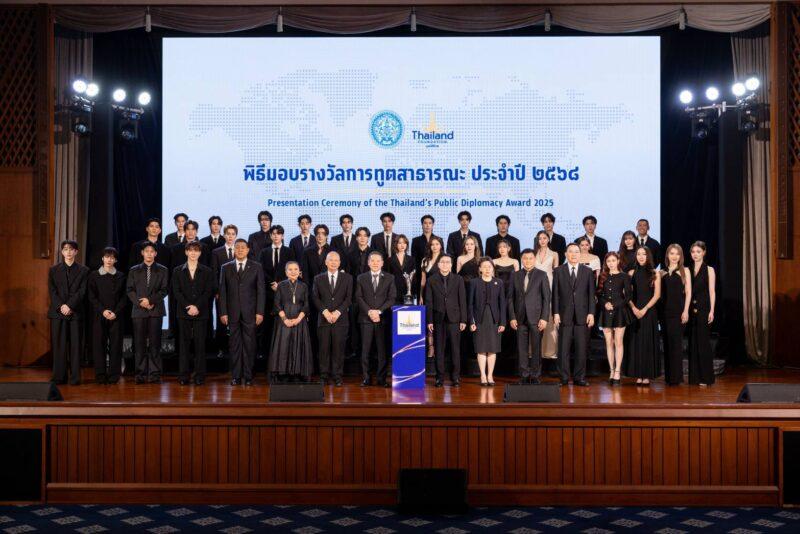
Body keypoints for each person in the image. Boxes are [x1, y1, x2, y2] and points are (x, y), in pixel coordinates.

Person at [219, 239, 266, 386]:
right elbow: (222, 292)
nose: (240, 250)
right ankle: (236, 376)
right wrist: (223, 312)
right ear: (233, 250)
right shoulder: (225, 267)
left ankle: (248, 376)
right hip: (232, 312)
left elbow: (261, 291)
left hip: (251, 313)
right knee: (234, 345)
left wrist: (260, 312)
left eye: (242, 247)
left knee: (249, 345)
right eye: (237, 247)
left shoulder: (257, 267)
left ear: (247, 250)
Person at [552, 243, 596, 386]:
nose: (574, 254)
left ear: (580, 254)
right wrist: (555, 313)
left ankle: (579, 377)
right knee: (563, 349)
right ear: (566, 254)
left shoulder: (587, 271)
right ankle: (564, 377)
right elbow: (555, 294)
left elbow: (591, 294)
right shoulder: (558, 271)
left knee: (581, 349)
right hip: (564, 314)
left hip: (582, 314)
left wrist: (591, 313)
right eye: (570, 251)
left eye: (576, 251)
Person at [172, 241, 215, 385]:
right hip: (183, 312)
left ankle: (199, 376)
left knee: (200, 345)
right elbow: (176, 291)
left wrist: (196, 306)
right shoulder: (177, 270)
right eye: (190, 250)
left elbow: (208, 291)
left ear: (200, 253)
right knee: (184, 345)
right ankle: (183, 376)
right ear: (186, 252)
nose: (193, 253)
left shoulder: (207, 271)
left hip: (201, 312)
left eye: (196, 250)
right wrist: (188, 306)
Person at [126, 242, 169, 384]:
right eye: (147, 251)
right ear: (142, 253)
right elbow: (130, 290)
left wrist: (150, 301)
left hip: (156, 310)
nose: (149, 254)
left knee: (155, 344)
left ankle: (155, 373)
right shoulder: (134, 270)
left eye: (152, 251)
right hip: (139, 311)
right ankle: (140, 373)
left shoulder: (163, 270)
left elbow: (164, 290)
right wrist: (141, 302)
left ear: (155, 253)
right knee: (139, 344)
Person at [48, 240, 89, 385]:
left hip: (76, 312)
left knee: (75, 346)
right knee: (59, 346)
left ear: (76, 252)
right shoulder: (53, 270)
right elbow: (52, 291)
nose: (68, 252)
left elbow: (82, 291)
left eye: (71, 249)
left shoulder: (84, 270)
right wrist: (62, 306)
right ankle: (59, 376)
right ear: (62, 252)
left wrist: (70, 305)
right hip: (58, 313)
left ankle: (75, 378)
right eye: (65, 249)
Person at [507, 249, 551, 384]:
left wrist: (544, 318)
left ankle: (536, 375)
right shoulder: (515, 275)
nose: (528, 261)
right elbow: (510, 298)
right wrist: (512, 317)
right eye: (525, 258)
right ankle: (524, 375)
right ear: (521, 260)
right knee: (522, 348)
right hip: (519, 317)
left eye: (530, 258)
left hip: (537, 318)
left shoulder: (542, 275)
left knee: (536, 348)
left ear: (534, 259)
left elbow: (546, 298)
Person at [424, 255, 467, 387]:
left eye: (448, 262)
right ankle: (439, 378)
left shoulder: (458, 279)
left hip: (455, 319)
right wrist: (429, 320)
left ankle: (455, 377)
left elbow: (462, 300)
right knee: (439, 350)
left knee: (455, 349)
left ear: (451, 265)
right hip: (438, 319)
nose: (445, 264)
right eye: (442, 262)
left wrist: (463, 320)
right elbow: (429, 301)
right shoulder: (431, 280)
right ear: (438, 265)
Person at [312, 252, 353, 386]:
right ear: (326, 262)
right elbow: (315, 298)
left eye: (336, 260)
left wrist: (337, 312)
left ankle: (337, 376)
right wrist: (325, 312)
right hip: (324, 319)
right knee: (323, 349)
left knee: (338, 349)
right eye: (331, 260)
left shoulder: (348, 278)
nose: (334, 262)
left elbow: (348, 298)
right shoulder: (318, 278)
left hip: (340, 320)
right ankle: (323, 376)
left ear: (340, 263)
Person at [355, 251, 396, 387]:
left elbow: (391, 298)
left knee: (382, 351)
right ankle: (366, 378)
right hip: (365, 319)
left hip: (382, 319)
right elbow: (358, 297)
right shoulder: (361, 278)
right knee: (365, 351)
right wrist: (369, 311)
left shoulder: (390, 278)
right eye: (372, 260)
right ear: (368, 263)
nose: (375, 263)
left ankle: (381, 379)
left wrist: (379, 311)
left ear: (382, 263)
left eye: (378, 261)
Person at [87, 247, 126, 384]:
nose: (109, 260)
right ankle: (100, 375)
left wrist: (115, 312)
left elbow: (124, 297)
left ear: (115, 260)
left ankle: (114, 375)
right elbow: (91, 296)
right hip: (99, 315)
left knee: (116, 345)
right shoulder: (94, 275)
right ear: (102, 258)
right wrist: (103, 311)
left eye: (112, 257)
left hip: (116, 315)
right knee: (99, 345)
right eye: (107, 257)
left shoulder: (121, 276)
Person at [624, 245, 662, 385]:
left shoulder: (655, 273)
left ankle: (646, 375)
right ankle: (637, 375)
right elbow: (627, 294)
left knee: (647, 342)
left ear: (648, 256)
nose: (641, 256)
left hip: (649, 311)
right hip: (634, 311)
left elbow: (657, 295)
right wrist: (634, 308)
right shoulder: (631, 273)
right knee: (635, 342)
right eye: (638, 254)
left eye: (644, 254)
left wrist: (645, 309)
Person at [270, 261, 313, 382]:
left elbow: (306, 305)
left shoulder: (304, 286)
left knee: (298, 345)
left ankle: (297, 373)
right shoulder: (281, 285)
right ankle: (283, 373)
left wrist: (298, 319)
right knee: (284, 345)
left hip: (299, 320)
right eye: (290, 269)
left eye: (295, 269)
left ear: (299, 272)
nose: (293, 272)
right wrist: (285, 319)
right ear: (286, 272)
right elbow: (277, 304)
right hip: (284, 320)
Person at [597, 252, 634, 386]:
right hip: (606, 312)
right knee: (609, 342)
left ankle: (618, 371)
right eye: (608, 261)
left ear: (618, 261)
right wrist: (605, 304)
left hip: (620, 312)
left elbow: (628, 296)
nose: (611, 263)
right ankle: (611, 370)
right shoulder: (603, 276)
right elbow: (599, 294)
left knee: (618, 342)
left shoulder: (624, 276)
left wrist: (616, 305)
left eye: (613, 260)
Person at [469, 257, 506, 387]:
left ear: (493, 268)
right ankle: (483, 376)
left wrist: (503, 322)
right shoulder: (474, 282)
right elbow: (470, 304)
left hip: (494, 319)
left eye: (489, 267)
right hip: (479, 319)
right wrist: (471, 321)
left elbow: (502, 304)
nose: (487, 269)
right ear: (480, 269)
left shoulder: (499, 282)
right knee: (481, 348)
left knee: (492, 348)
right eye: (484, 267)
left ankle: (490, 375)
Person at [660, 244, 692, 386]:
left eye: (677, 254)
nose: (674, 256)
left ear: (681, 256)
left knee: (676, 344)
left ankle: (676, 377)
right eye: (672, 253)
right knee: (667, 344)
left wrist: (685, 311)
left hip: (678, 312)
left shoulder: (685, 271)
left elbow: (688, 293)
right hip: (665, 312)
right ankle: (669, 377)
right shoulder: (662, 272)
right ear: (667, 255)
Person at [688, 241, 716, 386]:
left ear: (704, 252)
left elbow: (712, 291)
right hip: (690, 309)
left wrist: (712, 310)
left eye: (698, 252)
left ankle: (706, 377)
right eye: (693, 252)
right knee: (693, 342)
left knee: (703, 342)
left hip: (704, 308)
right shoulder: (687, 269)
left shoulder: (709, 270)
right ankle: (694, 377)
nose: (695, 254)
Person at [533, 230, 559, 359]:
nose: (542, 240)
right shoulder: (533, 254)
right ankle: (535, 351)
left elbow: (557, 273)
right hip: (534, 287)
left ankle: (550, 351)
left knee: (548, 315)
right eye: (540, 238)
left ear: (548, 239)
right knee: (535, 316)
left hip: (550, 286)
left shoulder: (554, 254)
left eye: (544, 238)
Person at [419, 235, 445, 359]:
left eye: (437, 244)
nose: (434, 246)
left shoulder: (445, 259)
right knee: (428, 320)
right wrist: (421, 295)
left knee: (439, 321)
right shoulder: (425, 260)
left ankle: (439, 347)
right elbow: (423, 280)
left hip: (440, 294)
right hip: (427, 293)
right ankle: (431, 347)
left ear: (441, 246)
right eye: (432, 244)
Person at [388, 234, 415, 303]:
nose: (402, 245)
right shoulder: (390, 260)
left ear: (407, 245)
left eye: (404, 243)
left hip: (407, 292)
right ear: (396, 244)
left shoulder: (411, 259)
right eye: (400, 243)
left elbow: (413, 276)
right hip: (394, 290)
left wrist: (412, 291)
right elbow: (387, 276)